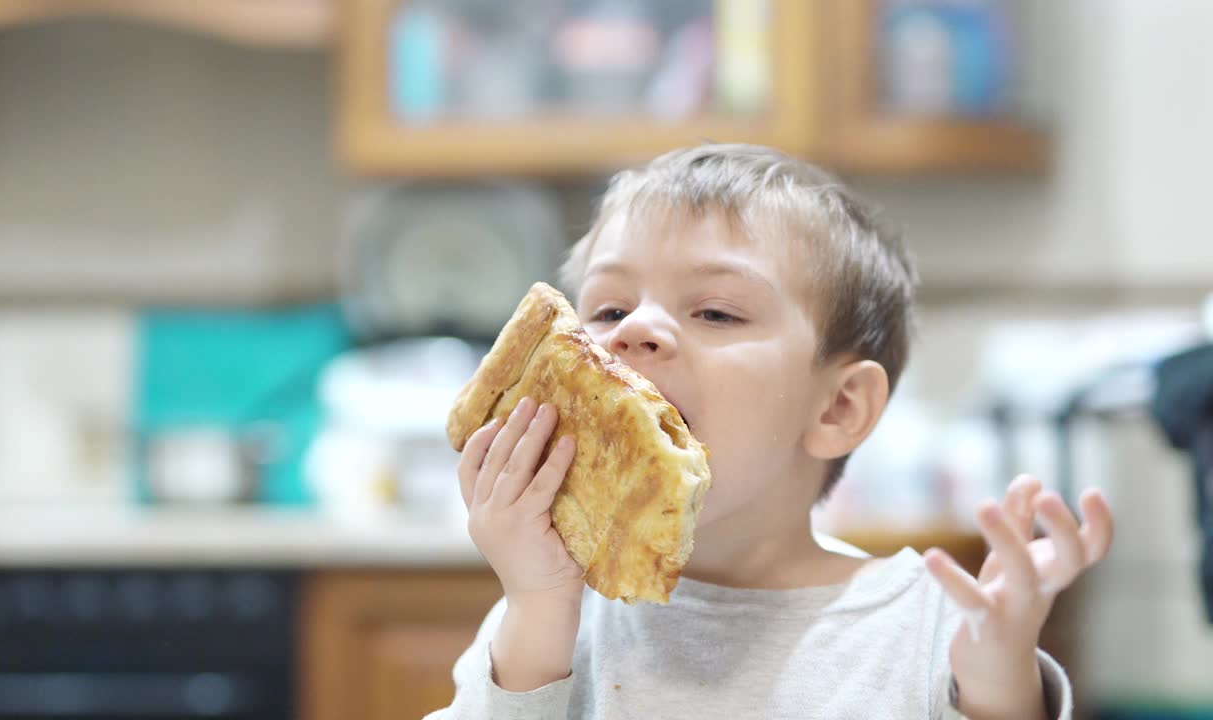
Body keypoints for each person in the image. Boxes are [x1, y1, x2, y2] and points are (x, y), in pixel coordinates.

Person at [428, 144, 1114, 719]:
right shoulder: (549, 614)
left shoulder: (926, 630)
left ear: (838, 408)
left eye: (717, 312)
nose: (635, 329)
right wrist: (539, 612)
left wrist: (996, 675)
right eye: (607, 309)